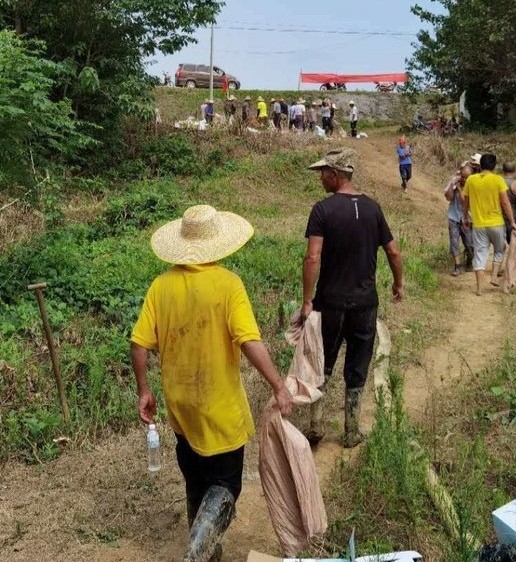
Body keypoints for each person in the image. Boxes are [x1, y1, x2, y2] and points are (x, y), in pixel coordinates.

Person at [130, 205, 293, 562]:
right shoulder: (228, 284)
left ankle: (206, 550)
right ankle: (197, 550)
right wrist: (278, 385)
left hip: (181, 408)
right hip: (220, 408)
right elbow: (250, 341)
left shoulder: (161, 286)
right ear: (217, 243)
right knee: (225, 485)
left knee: (195, 478)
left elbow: (139, 343)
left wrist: (144, 390)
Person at [301, 148, 404, 448]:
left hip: (330, 303)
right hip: (364, 305)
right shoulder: (373, 208)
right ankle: (351, 430)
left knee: (323, 363)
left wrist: (308, 301)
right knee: (358, 366)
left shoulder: (322, 210)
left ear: (335, 174)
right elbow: (393, 251)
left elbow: (312, 257)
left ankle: (316, 424)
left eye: (323, 173)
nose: (320, 177)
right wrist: (398, 283)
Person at [462, 153, 516, 296]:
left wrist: (465, 217)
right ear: (494, 166)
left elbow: (465, 200)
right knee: (500, 249)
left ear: (480, 165)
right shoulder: (498, 180)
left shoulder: (471, 180)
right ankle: (493, 276)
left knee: (480, 254)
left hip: (479, 224)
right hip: (496, 223)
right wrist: (512, 221)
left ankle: (479, 288)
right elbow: (505, 202)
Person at [443, 164, 474, 275]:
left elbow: (465, 202)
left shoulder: (472, 186)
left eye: (467, 177)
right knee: (454, 242)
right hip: (454, 217)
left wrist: (460, 188)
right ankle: (457, 266)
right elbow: (448, 197)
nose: (464, 179)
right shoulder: (455, 181)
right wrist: (452, 186)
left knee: (470, 244)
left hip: (467, 219)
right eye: (463, 176)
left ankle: (469, 261)